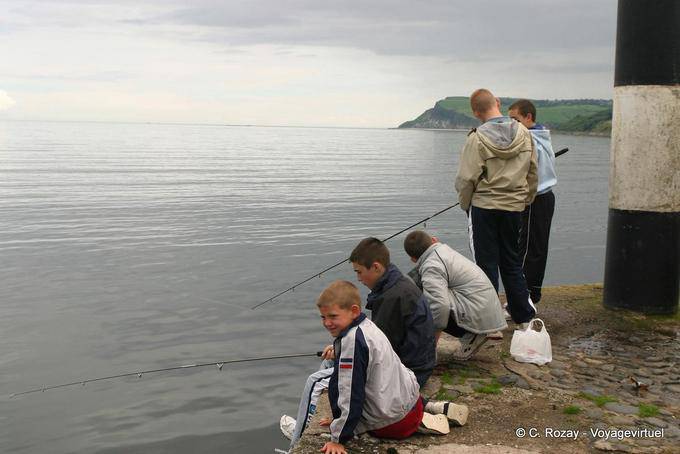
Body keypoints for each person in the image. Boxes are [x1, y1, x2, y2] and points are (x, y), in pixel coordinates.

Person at [282, 281, 468, 453]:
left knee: (315, 381)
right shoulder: (367, 326)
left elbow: (350, 392)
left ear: (354, 311)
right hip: (411, 406)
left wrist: (338, 437)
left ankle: (295, 443)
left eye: (333, 316)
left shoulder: (352, 341)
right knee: (336, 367)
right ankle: (423, 416)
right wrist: (338, 418)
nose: (327, 323)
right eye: (323, 317)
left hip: (391, 424)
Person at [454, 88, 537, 326]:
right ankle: (524, 318)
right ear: (497, 103)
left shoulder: (477, 138)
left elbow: (465, 179)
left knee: (486, 265)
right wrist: (525, 200)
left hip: (485, 207)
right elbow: (533, 172)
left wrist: (466, 204)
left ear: (475, 112)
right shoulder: (524, 133)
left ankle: (491, 324)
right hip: (513, 207)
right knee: (511, 262)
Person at [403, 230, 507, 359]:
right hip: (487, 310)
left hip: (479, 313)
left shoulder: (432, 266)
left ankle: (470, 335)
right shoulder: (444, 251)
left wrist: (430, 344)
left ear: (413, 259)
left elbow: (440, 307)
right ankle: (480, 330)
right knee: (418, 284)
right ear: (434, 240)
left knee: (420, 296)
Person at [348, 237, 436, 387]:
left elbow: (380, 347)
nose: (358, 279)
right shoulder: (397, 283)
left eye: (359, 272)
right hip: (419, 364)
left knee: (344, 376)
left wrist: (346, 349)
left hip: (412, 374)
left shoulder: (392, 298)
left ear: (376, 267)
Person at [508, 99, 557, 304]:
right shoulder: (541, 134)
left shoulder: (529, 139)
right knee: (534, 248)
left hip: (535, 199)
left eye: (515, 119)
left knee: (527, 250)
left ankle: (524, 299)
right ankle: (530, 295)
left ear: (528, 117)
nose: (512, 125)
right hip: (544, 197)